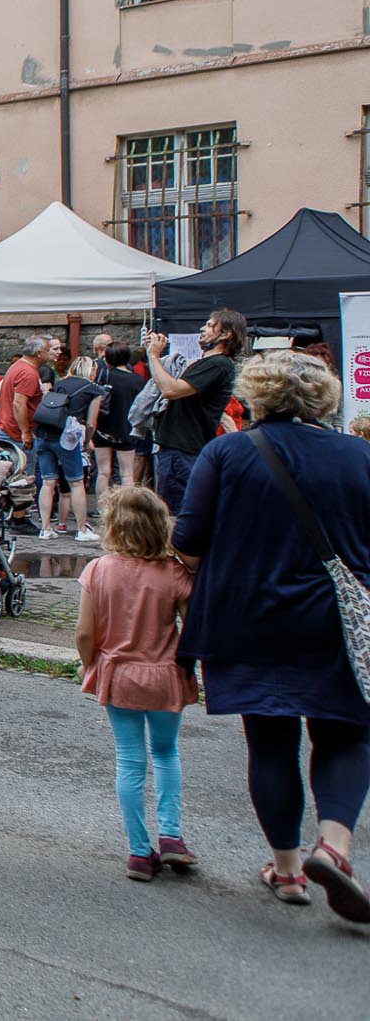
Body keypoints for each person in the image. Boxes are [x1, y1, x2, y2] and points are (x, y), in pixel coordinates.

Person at [170, 350, 370, 921]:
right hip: (333, 620)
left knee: (271, 740)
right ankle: (333, 845)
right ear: (324, 398)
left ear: (256, 393)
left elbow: (189, 539)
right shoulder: (360, 455)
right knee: (347, 734)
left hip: (245, 613)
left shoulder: (228, 452)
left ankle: (286, 870)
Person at [74, 486, 198, 883]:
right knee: (165, 752)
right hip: (164, 676)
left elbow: (83, 633)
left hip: (120, 674)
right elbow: (191, 627)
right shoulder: (174, 572)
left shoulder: (99, 570)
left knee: (130, 760)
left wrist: (88, 664)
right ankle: (172, 835)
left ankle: (139, 852)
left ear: (113, 526)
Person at [146, 309, 245, 514]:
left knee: (175, 515)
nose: (203, 328)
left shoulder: (218, 364)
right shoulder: (209, 364)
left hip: (183, 449)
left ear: (226, 334)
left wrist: (153, 356)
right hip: (180, 448)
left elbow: (171, 390)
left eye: (210, 325)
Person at [35, 356, 107, 541]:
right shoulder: (94, 390)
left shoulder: (60, 383)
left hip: (44, 434)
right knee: (76, 483)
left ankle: (45, 528)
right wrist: (86, 441)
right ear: (91, 371)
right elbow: (91, 423)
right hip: (67, 438)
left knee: (48, 482)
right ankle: (82, 530)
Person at [95, 345, 148, 513]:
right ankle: (126, 510)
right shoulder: (137, 381)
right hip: (126, 429)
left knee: (103, 472)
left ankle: (103, 509)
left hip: (102, 429)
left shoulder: (102, 377)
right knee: (127, 474)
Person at [0, 337, 47, 452]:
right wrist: (25, 432)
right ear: (38, 353)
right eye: (48, 350)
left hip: (6, 428)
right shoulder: (28, 373)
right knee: (24, 469)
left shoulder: (17, 366)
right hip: (14, 433)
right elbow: (18, 403)